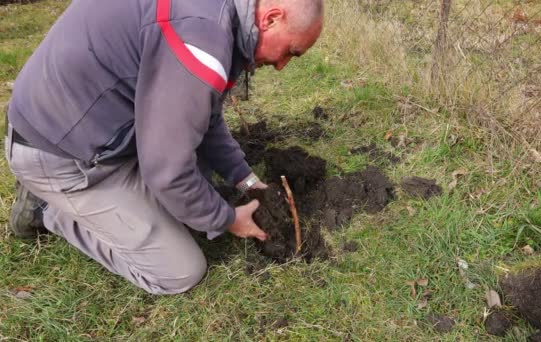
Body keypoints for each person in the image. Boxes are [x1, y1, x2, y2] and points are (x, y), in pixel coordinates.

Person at [4, 0, 323, 295]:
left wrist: (246, 180)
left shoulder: (219, 13)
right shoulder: (200, 42)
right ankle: (44, 209)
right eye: (291, 52)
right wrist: (226, 219)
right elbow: (167, 173)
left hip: (89, 125)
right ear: (271, 18)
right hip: (58, 152)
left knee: (188, 192)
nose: (282, 66)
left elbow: (204, 118)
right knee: (180, 271)